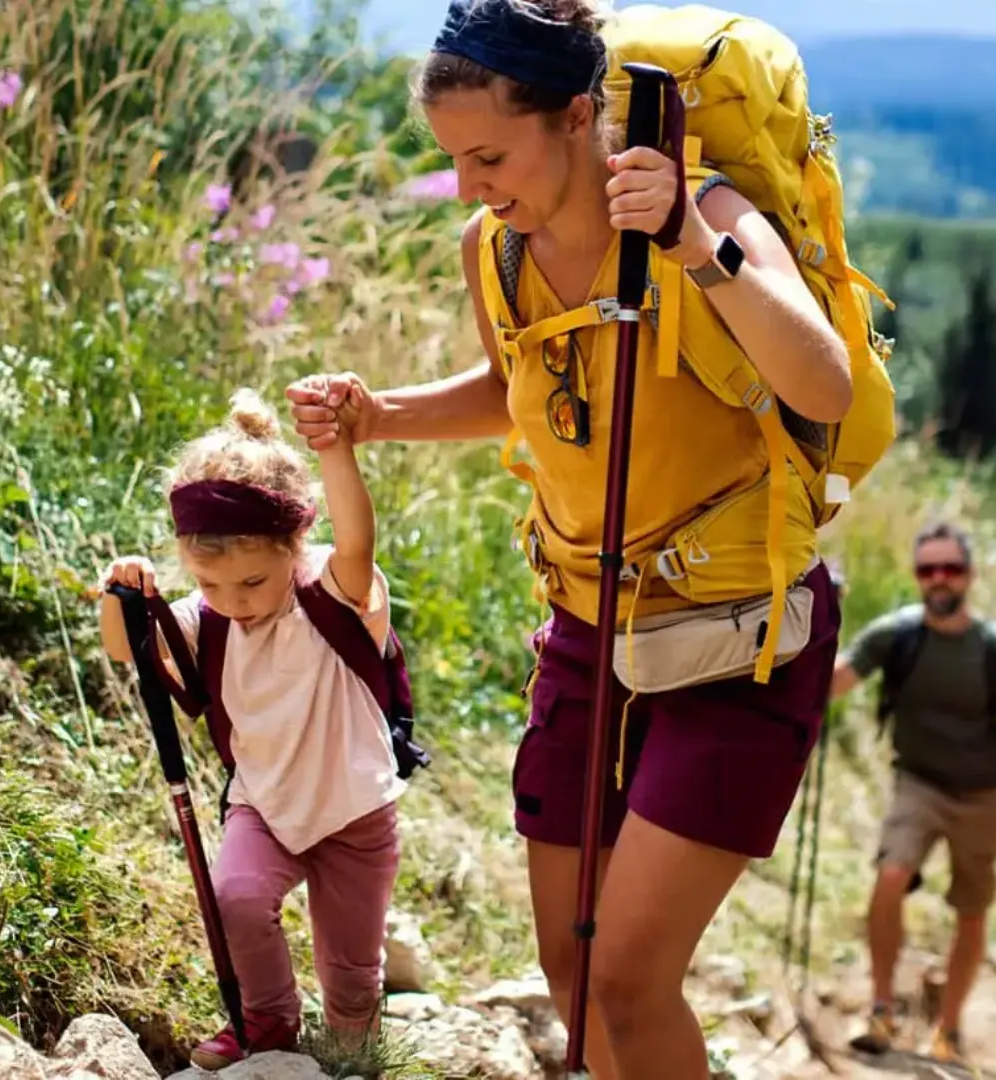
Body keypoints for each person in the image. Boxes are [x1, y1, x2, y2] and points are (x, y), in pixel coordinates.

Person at [284, 0, 857, 1071]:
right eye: (454, 159)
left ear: (580, 115)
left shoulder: (708, 211)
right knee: (574, 975)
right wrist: (382, 414)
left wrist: (692, 242)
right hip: (588, 629)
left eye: (489, 153)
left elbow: (821, 383)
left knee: (632, 980)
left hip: (738, 633)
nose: (469, 184)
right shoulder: (494, 250)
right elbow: (522, 387)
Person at [96, 387, 404, 1070]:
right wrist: (118, 593)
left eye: (254, 583)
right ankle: (269, 1022)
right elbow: (127, 648)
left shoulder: (332, 592)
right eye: (210, 584)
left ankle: (356, 1052)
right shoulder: (207, 622)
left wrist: (335, 448)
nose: (234, 603)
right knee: (236, 895)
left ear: (296, 546)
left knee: (352, 972)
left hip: (355, 811)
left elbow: (357, 537)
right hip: (263, 801)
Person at [831, 521, 996, 1064]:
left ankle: (948, 1029)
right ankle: (881, 1011)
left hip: (983, 794)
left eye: (950, 568)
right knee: (890, 876)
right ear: (917, 576)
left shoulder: (995, 648)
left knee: (971, 911)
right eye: (929, 569)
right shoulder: (895, 635)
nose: (939, 579)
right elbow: (835, 681)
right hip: (917, 782)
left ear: (969, 575)